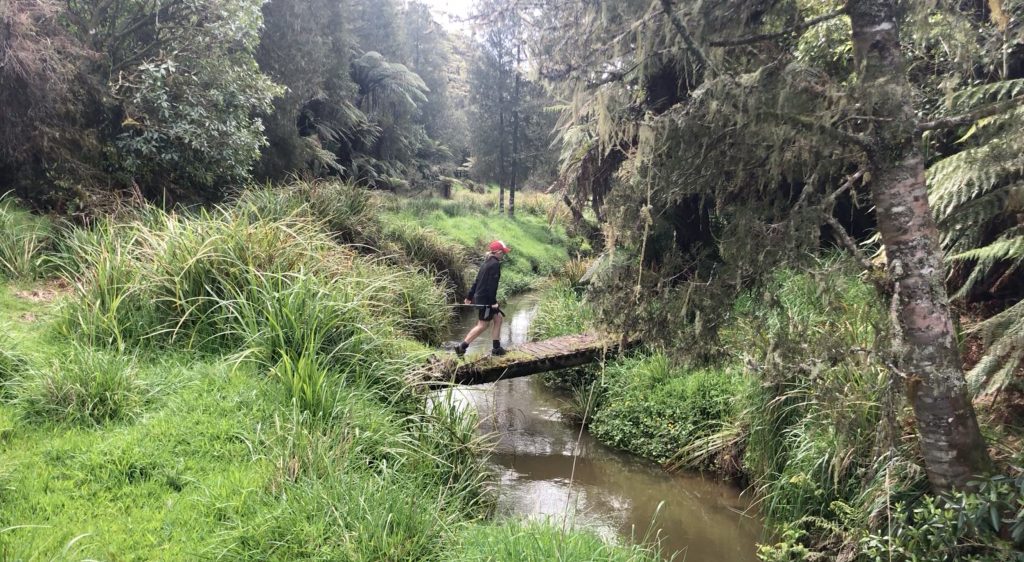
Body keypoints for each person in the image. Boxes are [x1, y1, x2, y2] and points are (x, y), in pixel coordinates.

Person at [455, 240, 511, 357]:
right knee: (483, 325)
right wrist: (493, 302)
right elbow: (491, 286)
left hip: (482, 298)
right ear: (498, 252)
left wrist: (469, 297)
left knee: (498, 318)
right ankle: (462, 347)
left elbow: (476, 282)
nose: (503, 255)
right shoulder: (495, 265)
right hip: (486, 300)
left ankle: (496, 348)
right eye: (503, 253)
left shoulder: (486, 263)